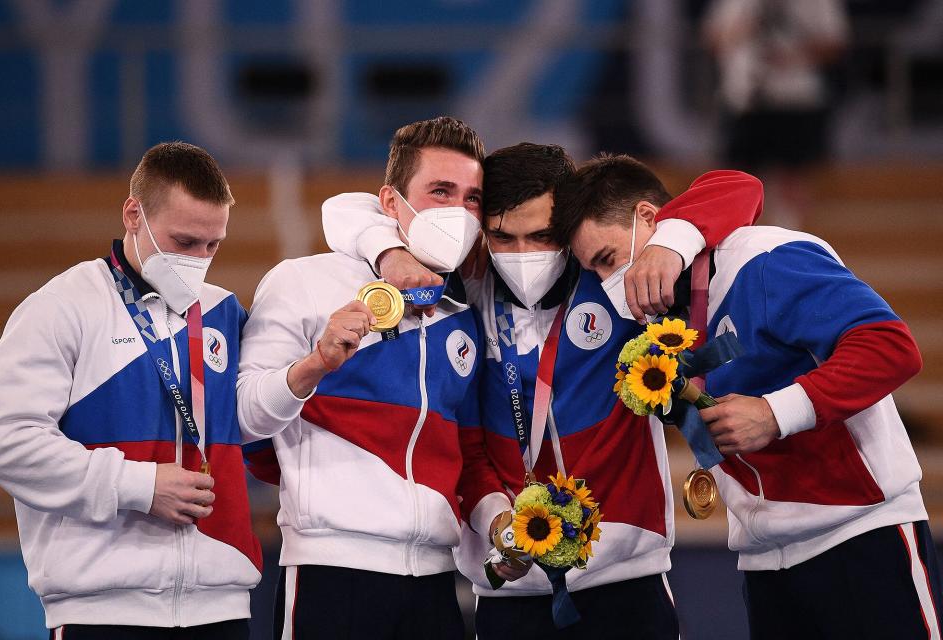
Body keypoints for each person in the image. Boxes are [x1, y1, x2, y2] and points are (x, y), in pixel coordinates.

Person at [321, 142, 764, 638]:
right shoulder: (464, 290)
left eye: (542, 235)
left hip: (627, 577)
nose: (523, 254)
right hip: (510, 588)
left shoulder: (613, 278)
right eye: (503, 237)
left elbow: (739, 187)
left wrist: (668, 245)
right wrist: (497, 523)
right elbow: (342, 208)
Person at [551, 153, 939, 639]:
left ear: (650, 218)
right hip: (763, 560)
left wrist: (775, 413)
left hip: (859, 536)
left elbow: (892, 348)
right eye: (595, 269)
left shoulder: (765, 258)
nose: (611, 283)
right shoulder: (657, 315)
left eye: (608, 258)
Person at [0, 142, 261, 638]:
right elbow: (9, 446)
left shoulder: (223, 313)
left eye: (212, 245)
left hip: (222, 608)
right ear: (134, 214)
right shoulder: (60, 308)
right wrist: (139, 486)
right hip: (103, 611)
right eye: (183, 241)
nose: (199, 260)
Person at [237, 116, 486, 640]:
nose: (458, 213)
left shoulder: (465, 307)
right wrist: (315, 365)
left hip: (435, 580)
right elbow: (241, 417)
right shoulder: (302, 281)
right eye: (440, 191)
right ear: (391, 203)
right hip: (332, 571)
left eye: (471, 198)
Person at [703, 0, 849, 229]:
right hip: (745, 98)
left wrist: (794, 52)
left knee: (793, 179)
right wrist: (744, 29)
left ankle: (790, 242)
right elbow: (715, 38)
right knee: (736, 179)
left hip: (795, 99)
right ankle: (737, 241)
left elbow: (834, 43)